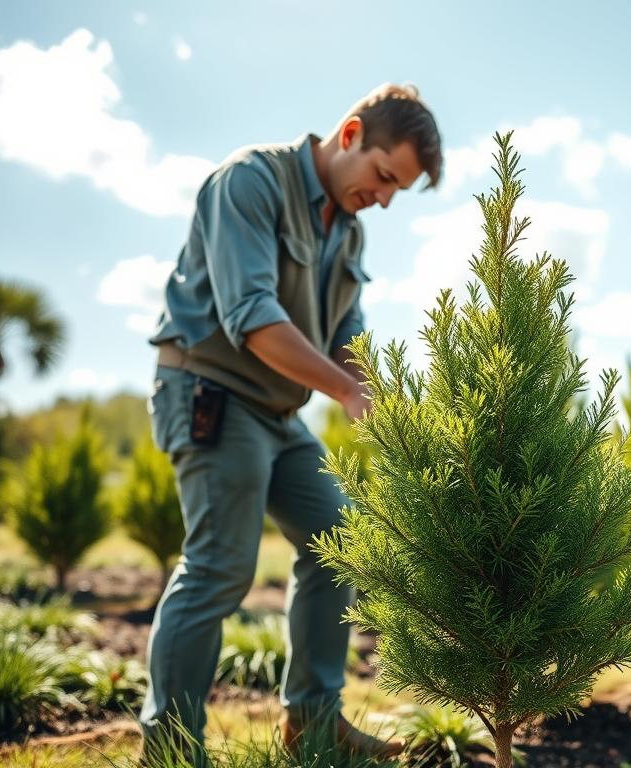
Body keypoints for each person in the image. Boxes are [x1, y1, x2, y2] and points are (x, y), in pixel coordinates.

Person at [138, 83, 442, 761]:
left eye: (400, 191)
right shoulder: (250, 181)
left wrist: (383, 401)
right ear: (351, 132)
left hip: (279, 410)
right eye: (384, 177)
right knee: (220, 568)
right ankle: (169, 748)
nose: (385, 198)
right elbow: (251, 318)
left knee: (340, 545)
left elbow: (348, 338)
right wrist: (343, 391)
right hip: (211, 390)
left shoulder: (349, 228)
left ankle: (311, 721)